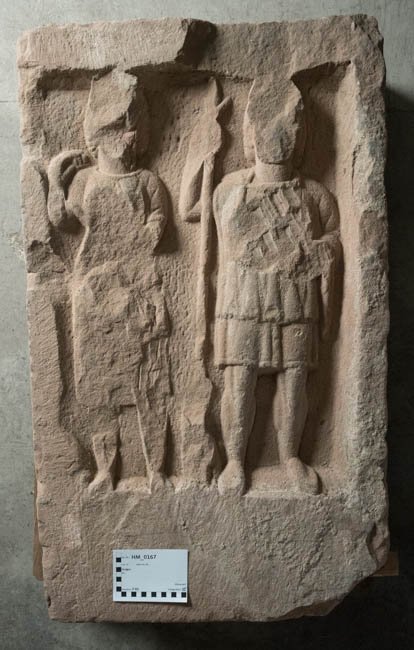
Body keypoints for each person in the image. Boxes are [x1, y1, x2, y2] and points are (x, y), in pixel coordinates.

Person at [213, 77, 341, 496]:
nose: (280, 136)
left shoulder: (316, 196)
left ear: (301, 134)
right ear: (250, 132)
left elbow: (334, 242)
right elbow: (226, 239)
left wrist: (321, 252)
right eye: (268, 125)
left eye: (289, 125)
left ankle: (290, 456)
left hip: (296, 295)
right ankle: (235, 460)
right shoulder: (230, 189)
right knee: (240, 379)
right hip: (245, 297)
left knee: (295, 378)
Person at [47, 69, 170, 492]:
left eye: (135, 126)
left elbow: (158, 222)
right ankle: (106, 469)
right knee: (99, 389)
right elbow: (63, 220)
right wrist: (54, 180)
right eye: (121, 127)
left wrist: (150, 229)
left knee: (149, 384)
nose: (130, 136)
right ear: (100, 135)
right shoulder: (85, 181)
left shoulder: (148, 182)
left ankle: (156, 470)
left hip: (138, 288)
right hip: (94, 294)